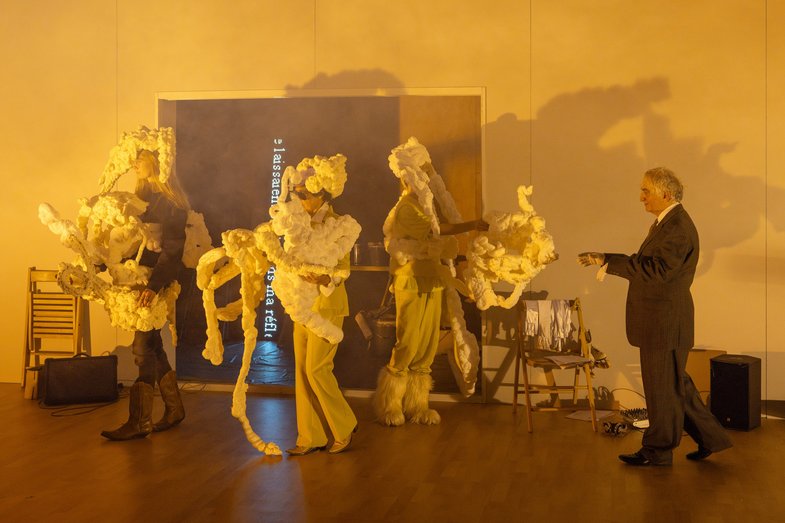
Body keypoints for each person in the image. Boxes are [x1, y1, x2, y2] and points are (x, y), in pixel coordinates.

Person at [578, 167, 732, 466]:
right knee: (675, 385)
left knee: (662, 390)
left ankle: (657, 451)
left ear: (666, 193)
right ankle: (712, 438)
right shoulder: (668, 223)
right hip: (662, 320)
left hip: (664, 322)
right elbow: (649, 263)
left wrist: (610, 263)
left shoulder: (677, 228)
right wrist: (608, 260)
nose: (641, 197)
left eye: (646, 191)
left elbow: (658, 271)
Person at [374, 140, 487, 426]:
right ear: (408, 177)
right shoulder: (406, 208)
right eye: (422, 173)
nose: (426, 179)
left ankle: (417, 404)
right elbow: (436, 232)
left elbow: (437, 235)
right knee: (408, 341)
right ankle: (390, 405)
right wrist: (472, 224)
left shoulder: (425, 207)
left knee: (426, 344)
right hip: (411, 280)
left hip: (431, 280)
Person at [101, 149, 188, 441]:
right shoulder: (139, 198)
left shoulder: (172, 203)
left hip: (153, 285)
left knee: (141, 349)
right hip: (137, 283)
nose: (135, 163)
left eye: (141, 158)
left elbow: (172, 250)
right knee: (152, 345)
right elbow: (125, 242)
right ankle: (174, 409)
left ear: (156, 161)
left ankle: (139, 421)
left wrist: (154, 286)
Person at [285, 163, 358, 456]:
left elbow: (344, 269)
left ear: (322, 194)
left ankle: (345, 425)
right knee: (302, 371)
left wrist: (326, 279)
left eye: (304, 194)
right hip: (301, 305)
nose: (300, 199)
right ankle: (310, 436)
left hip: (327, 305)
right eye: (297, 194)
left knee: (317, 369)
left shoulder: (339, 224)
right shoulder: (297, 226)